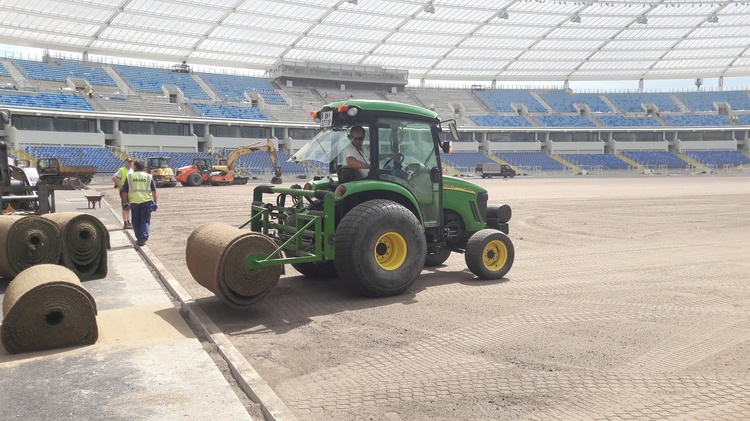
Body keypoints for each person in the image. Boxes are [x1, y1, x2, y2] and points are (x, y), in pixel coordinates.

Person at [120, 160, 158, 247]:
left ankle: (138, 238)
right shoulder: (148, 176)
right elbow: (154, 191)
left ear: (135, 167)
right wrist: (156, 202)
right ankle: (143, 239)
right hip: (146, 202)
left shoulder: (129, 176)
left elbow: (124, 192)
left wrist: (125, 202)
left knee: (136, 221)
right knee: (145, 221)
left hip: (134, 202)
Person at [112, 158, 134, 229]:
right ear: (125, 162)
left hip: (130, 191)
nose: (130, 163)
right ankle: (125, 222)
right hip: (124, 191)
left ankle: (128, 221)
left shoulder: (131, 170)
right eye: (128, 162)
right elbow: (114, 178)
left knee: (128, 207)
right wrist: (120, 186)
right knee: (125, 206)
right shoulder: (122, 170)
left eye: (131, 162)